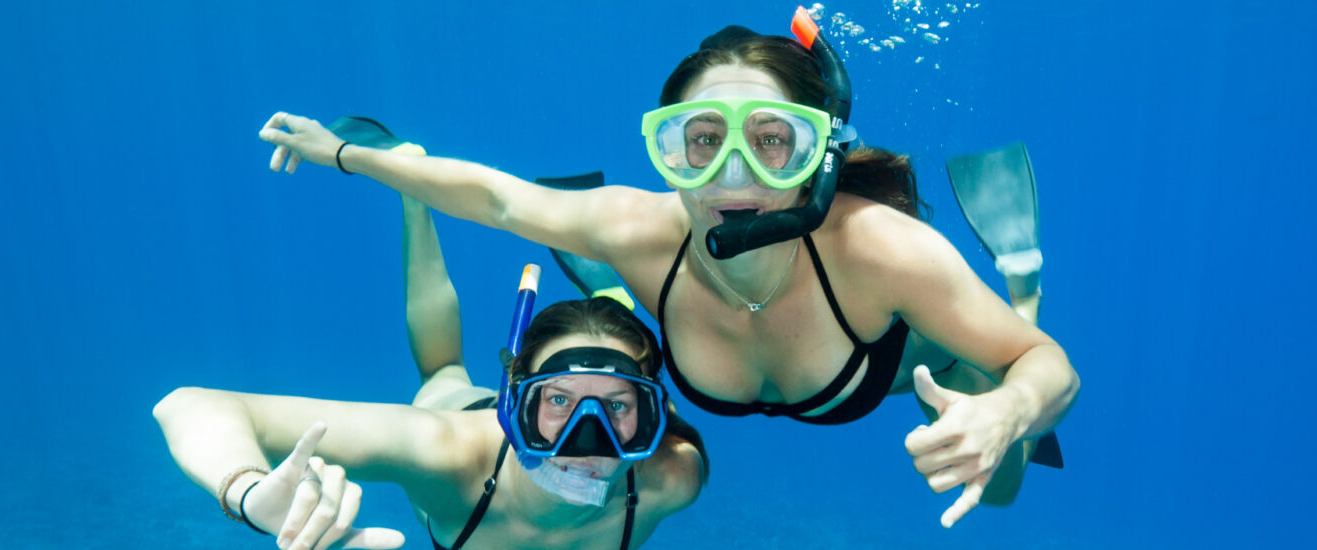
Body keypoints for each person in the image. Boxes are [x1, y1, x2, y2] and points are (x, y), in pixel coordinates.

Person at [255, 8, 1075, 528]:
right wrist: (348, 154)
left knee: (1000, 479)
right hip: (688, 298)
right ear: (668, 153)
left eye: (772, 140)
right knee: (611, 258)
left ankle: (1020, 285)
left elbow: (1051, 371)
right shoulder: (638, 223)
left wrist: (1005, 411)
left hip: (898, 370)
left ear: (816, 155)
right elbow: (497, 199)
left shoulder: (879, 251)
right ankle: (614, 291)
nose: (733, 178)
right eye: (702, 141)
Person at [153, 188, 707, 550]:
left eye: (617, 406)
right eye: (559, 400)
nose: (590, 440)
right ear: (515, 401)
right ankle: (413, 200)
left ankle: (607, 308)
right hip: (456, 412)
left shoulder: (672, 479)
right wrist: (248, 493)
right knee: (441, 373)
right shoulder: (445, 457)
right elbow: (187, 404)